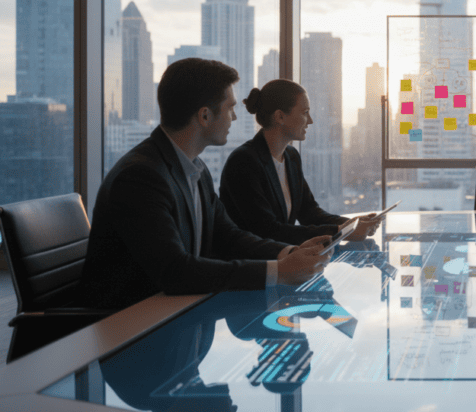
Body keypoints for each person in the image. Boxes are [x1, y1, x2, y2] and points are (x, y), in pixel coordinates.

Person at [80, 58, 330, 311]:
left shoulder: (195, 169)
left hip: (173, 314)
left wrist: (288, 253)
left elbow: (228, 237)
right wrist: (278, 272)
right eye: (230, 108)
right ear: (205, 115)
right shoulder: (140, 177)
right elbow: (175, 271)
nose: (234, 116)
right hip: (127, 328)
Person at [219, 79, 382, 246]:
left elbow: (310, 213)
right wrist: (341, 231)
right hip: (255, 265)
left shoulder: (291, 156)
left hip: (282, 260)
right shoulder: (243, 162)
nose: (310, 120)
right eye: (305, 112)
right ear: (280, 116)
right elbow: (268, 230)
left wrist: (352, 223)